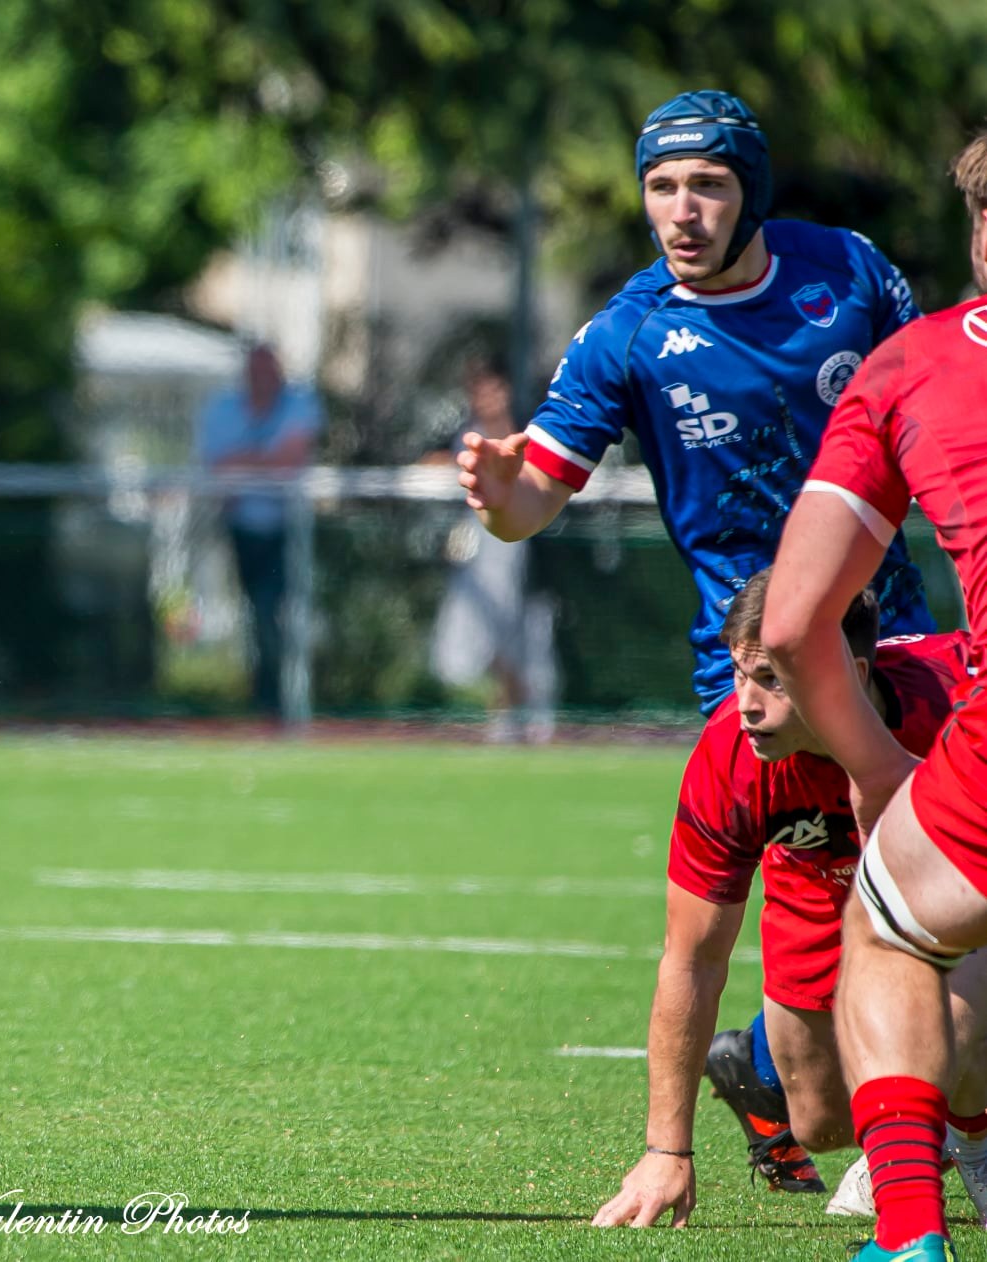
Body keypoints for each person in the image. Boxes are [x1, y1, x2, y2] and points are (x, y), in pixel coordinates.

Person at [457, 89, 937, 1188]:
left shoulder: (848, 274)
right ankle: (788, 1075)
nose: (679, 208)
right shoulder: (626, 331)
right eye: (660, 186)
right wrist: (496, 498)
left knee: (938, 868)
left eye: (705, 184)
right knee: (852, 903)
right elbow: (534, 495)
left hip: (896, 632)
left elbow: (928, 399)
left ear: (749, 190)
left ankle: (905, 1115)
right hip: (758, 667)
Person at [593, 569, 987, 1229]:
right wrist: (666, 1150)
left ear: (853, 673)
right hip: (813, 885)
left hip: (946, 885)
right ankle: (756, 1067)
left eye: (773, 679)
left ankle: (970, 1143)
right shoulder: (730, 757)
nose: (746, 703)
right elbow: (692, 959)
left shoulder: (956, 708)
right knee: (827, 1121)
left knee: (954, 1010)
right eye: (741, 673)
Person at [761, 130, 987, 1262]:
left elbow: (796, 623)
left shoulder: (907, 367)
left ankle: (908, 1236)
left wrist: (876, 769)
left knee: (892, 935)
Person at [426, 356, 553, 742]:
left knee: (517, 642)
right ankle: (501, 715)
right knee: (471, 647)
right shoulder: (466, 435)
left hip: (519, 554)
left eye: (495, 389)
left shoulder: (527, 433)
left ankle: (520, 716)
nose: (489, 398)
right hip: (479, 556)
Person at [193, 342, 320, 715]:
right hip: (242, 528)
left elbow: (289, 463)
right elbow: (218, 470)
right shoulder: (222, 410)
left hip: (292, 530)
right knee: (257, 612)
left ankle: (288, 698)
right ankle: (266, 698)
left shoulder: (299, 403)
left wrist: (244, 463)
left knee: (279, 612)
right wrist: (263, 461)